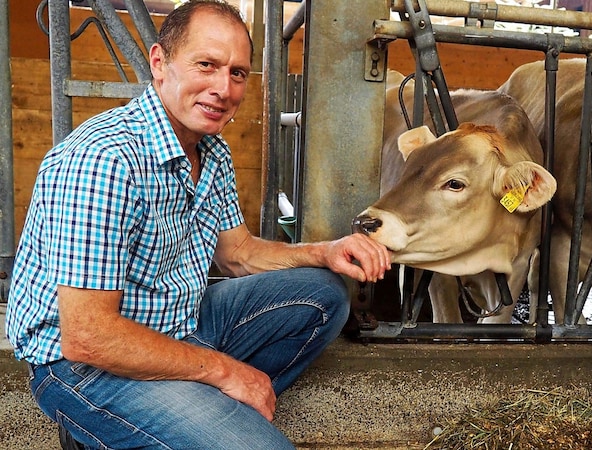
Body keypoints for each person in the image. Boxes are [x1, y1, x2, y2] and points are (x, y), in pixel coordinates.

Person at [4, 1, 391, 448]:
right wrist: (228, 373)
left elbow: (238, 253)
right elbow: (88, 338)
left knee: (323, 294)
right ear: (159, 63)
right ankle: (126, 420)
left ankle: (174, 416)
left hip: (178, 323)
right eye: (206, 65)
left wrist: (325, 252)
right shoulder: (104, 160)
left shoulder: (212, 151)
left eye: (238, 73)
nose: (222, 89)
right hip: (85, 366)